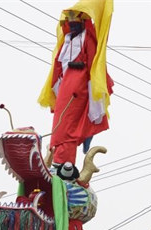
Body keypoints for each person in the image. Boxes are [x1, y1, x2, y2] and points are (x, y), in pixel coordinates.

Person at [38, 1, 114, 171]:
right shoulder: (66, 41)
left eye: (75, 19)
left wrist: (93, 93)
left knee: (69, 126)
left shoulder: (87, 38)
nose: (72, 22)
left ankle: (64, 163)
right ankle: (57, 158)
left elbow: (93, 64)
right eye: (69, 19)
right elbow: (58, 65)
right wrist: (55, 86)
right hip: (65, 87)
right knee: (59, 124)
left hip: (79, 88)